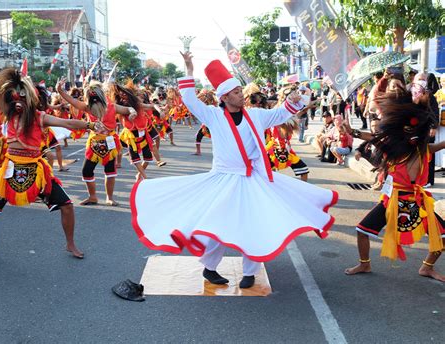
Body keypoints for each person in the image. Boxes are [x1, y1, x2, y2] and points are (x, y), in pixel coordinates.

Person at [130, 52, 338, 289]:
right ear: (226, 97)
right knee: (219, 225)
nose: (242, 95)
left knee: (253, 224)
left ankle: (250, 271)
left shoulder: (257, 116)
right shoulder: (214, 116)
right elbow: (190, 101)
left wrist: (298, 98)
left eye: (241, 91)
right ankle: (209, 268)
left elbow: (281, 113)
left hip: (253, 179)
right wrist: (189, 69)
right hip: (223, 179)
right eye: (238, 92)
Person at [0, 63, 102, 258]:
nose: (17, 101)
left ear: (29, 98)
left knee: (67, 206)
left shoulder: (40, 117)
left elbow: (67, 122)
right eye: (13, 97)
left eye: (21, 97)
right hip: (9, 171)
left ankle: (70, 244)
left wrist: (90, 124)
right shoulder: (7, 112)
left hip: (36, 173)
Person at [345, 89, 445, 281]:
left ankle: (427, 268)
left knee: (443, 237)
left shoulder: (425, 149)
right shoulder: (393, 149)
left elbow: (442, 144)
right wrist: (353, 132)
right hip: (392, 201)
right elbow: (374, 138)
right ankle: (364, 264)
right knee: (362, 230)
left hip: (417, 202)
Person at [57, 79, 136, 206]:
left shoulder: (112, 107)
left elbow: (129, 109)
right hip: (94, 143)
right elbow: (72, 101)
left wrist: (132, 113)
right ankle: (92, 197)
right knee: (87, 171)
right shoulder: (87, 107)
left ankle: (109, 198)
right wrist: (60, 90)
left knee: (110, 171)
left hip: (110, 142)